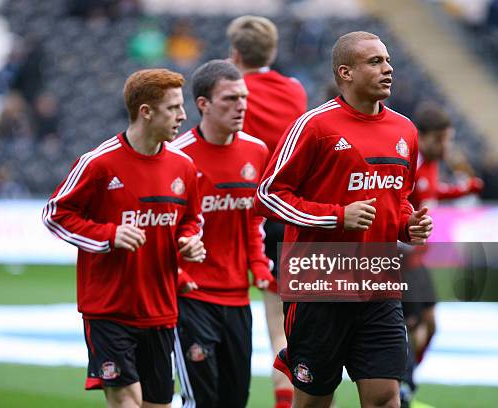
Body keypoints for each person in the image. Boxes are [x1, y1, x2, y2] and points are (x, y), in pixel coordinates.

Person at [253, 31, 433, 407]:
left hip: (380, 283)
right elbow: (268, 195)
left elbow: (397, 199)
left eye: (387, 60)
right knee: (315, 401)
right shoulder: (315, 126)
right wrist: (337, 217)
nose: (388, 69)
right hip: (318, 285)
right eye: (376, 62)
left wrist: (406, 224)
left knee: (385, 396)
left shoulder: (405, 130)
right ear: (345, 72)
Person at [42, 68, 206, 408]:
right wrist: (108, 234)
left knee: (157, 404)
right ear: (146, 111)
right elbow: (55, 215)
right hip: (109, 310)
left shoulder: (184, 166)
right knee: (126, 401)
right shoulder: (98, 163)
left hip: (161, 309)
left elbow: (192, 219)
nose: (183, 115)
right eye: (173, 107)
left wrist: (190, 240)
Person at [170, 59, 274, 408]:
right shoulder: (177, 157)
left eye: (243, 97)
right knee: (201, 399)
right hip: (191, 298)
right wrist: (179, 273)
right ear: (203, 105)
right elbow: (164, 229)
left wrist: (259, 264)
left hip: (238, 300)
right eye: (230, 99)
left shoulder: (256, 151)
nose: (241, 106)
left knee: (234, 399)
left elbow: (253, 220)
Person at [227, 15, 308, 408]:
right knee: (306, 330)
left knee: (278, 328)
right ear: (272, 51)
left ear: (235, 53)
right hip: (299, 216)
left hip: (261, 215)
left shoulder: (233, 92)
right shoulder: (293, 90)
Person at [401, 102, 482, 406]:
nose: (445, 146)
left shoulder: (431, 164)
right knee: (409, 324)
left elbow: (432, 193)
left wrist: (465, 190)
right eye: (440, 139)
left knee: (430, 324)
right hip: (397, 257)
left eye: (448, 138)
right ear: (422, 137)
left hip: (416, 258)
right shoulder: (407, 162)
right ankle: (401, 387)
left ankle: (405, 379)